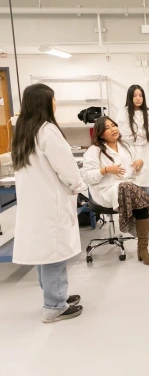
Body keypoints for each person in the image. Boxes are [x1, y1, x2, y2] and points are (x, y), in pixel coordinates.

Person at [12, 84, 87, 323]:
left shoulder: (24, 132)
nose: (56, 103)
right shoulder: (47, 131)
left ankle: (54, 295)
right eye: (54, 99)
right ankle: (54, 305)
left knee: (45, 252)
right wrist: (80, 186)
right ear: (45, 103)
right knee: (55, 252)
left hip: (36, 205)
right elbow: (67, 169)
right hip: (50, 203)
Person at [82, 117, 149, 266]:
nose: (113, 129)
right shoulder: (94, 151)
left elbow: (133, 173)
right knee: (129, 189)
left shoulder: (125, 146)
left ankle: (143, 249)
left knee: (133, 192)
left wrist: (139, 164)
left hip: (128, 189)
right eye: (107, 127)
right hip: (105, 191)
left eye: (114, 125)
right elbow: (87, 176)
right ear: (100, 134)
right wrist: (105, 170)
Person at [117, 85, 149, 196]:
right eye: (135, 95)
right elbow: (126, 136)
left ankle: (147, 213)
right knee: (131, 188)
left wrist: (137, 133)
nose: (138, 98)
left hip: (147, 154)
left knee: (146, 190)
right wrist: (146, 132)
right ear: (129, 97)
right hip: (131, 153)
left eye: (140, 95)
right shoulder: (123, 113)